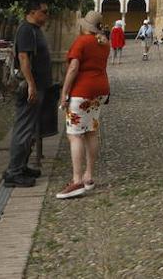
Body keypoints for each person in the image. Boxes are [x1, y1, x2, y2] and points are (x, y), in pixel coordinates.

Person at [56, 11, 110, 199]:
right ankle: (89, 176)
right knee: (91, 132)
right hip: (100, 90)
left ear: (85, 26)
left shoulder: (81, 42)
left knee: (75, 135)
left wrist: (64, 93)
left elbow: (73, 68)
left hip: (82, 91)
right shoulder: (104, 43)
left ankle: (77, 180)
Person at [3, 0, 51, 188]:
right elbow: (23, 58)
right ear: (32, 11)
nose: (47, 15)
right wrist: (31, 84)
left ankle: (21, 166)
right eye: (44, 11)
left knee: (29, 129)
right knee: (24, 128)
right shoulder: (26, 30)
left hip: (38, 85)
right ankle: (14, 172)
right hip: (31, 87)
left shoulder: (34, 30)